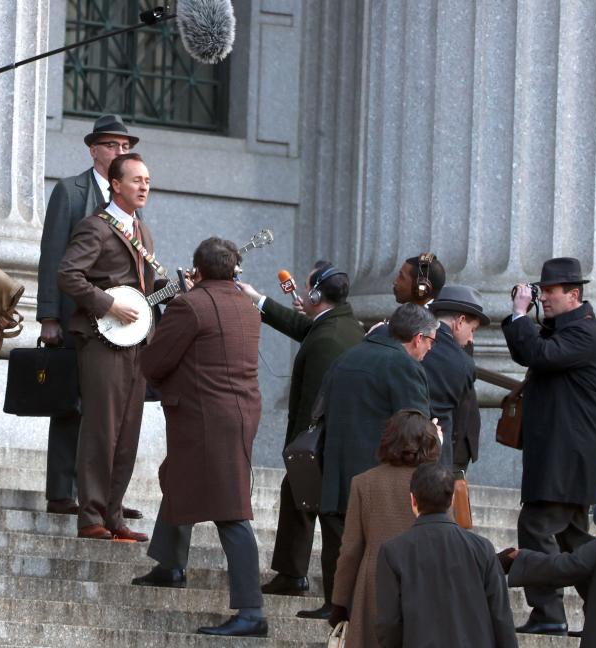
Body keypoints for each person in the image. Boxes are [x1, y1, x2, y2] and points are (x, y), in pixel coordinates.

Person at [134, 237, 267, 637]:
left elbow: (155, 361)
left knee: (231, 512)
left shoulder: (190, 305)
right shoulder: (248, 307)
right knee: (178, 476)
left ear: (198, 270)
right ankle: (170, 564)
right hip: (240, 413)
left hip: (205, 415)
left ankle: (251, 612)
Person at [237, 263, 363, 600]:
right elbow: (305, 327)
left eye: (308, 289)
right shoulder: (340, 324)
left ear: (319, 295)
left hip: (318, 442)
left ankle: (300, 578)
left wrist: (299, 445)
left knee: (310, 505)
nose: (303, 294)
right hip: (330, 441)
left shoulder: (328, 338)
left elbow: (314, 402)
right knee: (297, 499)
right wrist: (259, 300)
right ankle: (291, 573)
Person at [37, 114, 142, 518]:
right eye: (113, 145)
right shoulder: (70, 190)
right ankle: (62, 491)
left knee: (107, 412)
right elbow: (52, 257)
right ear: (94, 149)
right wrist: (48, 315)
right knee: (69, 403)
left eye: (125, 146)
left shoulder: (131, 197)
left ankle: (100, 498)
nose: (120, 152)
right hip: (73, 317)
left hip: (114, 328)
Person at [503, 257, 596, 636]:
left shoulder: (584, 333)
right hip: (569, 452)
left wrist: (519, 316)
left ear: (574, 294)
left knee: (536, 525)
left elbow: (538, 354)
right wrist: (523, 318)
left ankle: (548, 613)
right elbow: (526, 351)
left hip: (568, 453)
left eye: (550, 291)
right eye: (541, 290)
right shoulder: (565, 329)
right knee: (573, 538)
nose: (543, 297)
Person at [308, 303, 435, 619]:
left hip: (335, 470)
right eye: (431, 341)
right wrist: (437, 440)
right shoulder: (404, 366)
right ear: (418, 338)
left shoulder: (348, 356)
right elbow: (415, 429)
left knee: (340, 542)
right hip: (380, 479)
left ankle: (333, 602)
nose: (430, 349)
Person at [57, 152, 155, 542]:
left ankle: (114, 516)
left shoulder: (143, 232)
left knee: (128, 431)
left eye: (147, 180)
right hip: (102, 339)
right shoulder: (95, 227)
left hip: (137, 342)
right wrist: (107, 304)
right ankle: (91, 516)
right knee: (101, 428)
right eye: (136, 180)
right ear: (115, 184)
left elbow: (145, 286)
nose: (144, 186)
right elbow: (67, 274)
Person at [328, 410, 442, 648]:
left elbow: (350, 550)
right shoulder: (436, 483)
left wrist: (340, 602)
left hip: (374, 584)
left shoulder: (364, 482)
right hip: (425, 584)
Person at [375, 463, 518, 648]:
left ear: (413, 499)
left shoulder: (393, 551)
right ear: (451, 499)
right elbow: (501, 618)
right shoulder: (482, 548)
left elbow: (389, 624)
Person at [423, 285, 489, 468]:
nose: (471, 339)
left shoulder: (414, 341)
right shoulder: (462, 362)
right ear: (459, 322)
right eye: (473, 330)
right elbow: (459, 419)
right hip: (437, 456)